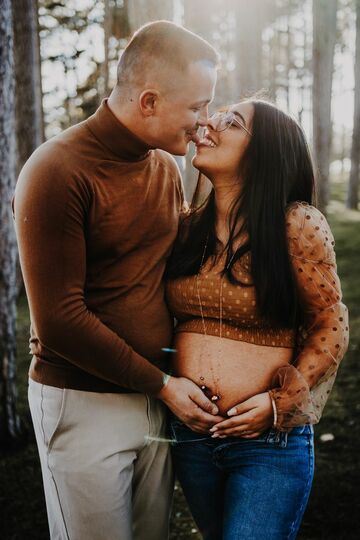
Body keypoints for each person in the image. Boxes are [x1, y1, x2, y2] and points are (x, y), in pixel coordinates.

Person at [13, 21, 222, 540]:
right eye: (196, 106)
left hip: (156, 398)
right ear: (148, 101)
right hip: (83, 401)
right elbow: (60, 321)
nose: (204, 123)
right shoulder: (57, 171)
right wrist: (163, 385)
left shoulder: (166, 169)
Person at [165, 98, 349, 540]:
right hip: (192, 437)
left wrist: (276, 406)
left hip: (268, 445)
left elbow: (330, 324)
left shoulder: (296, 224)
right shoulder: (187, 227)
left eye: (232, 121)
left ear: (265, 151)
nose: (209, 122)